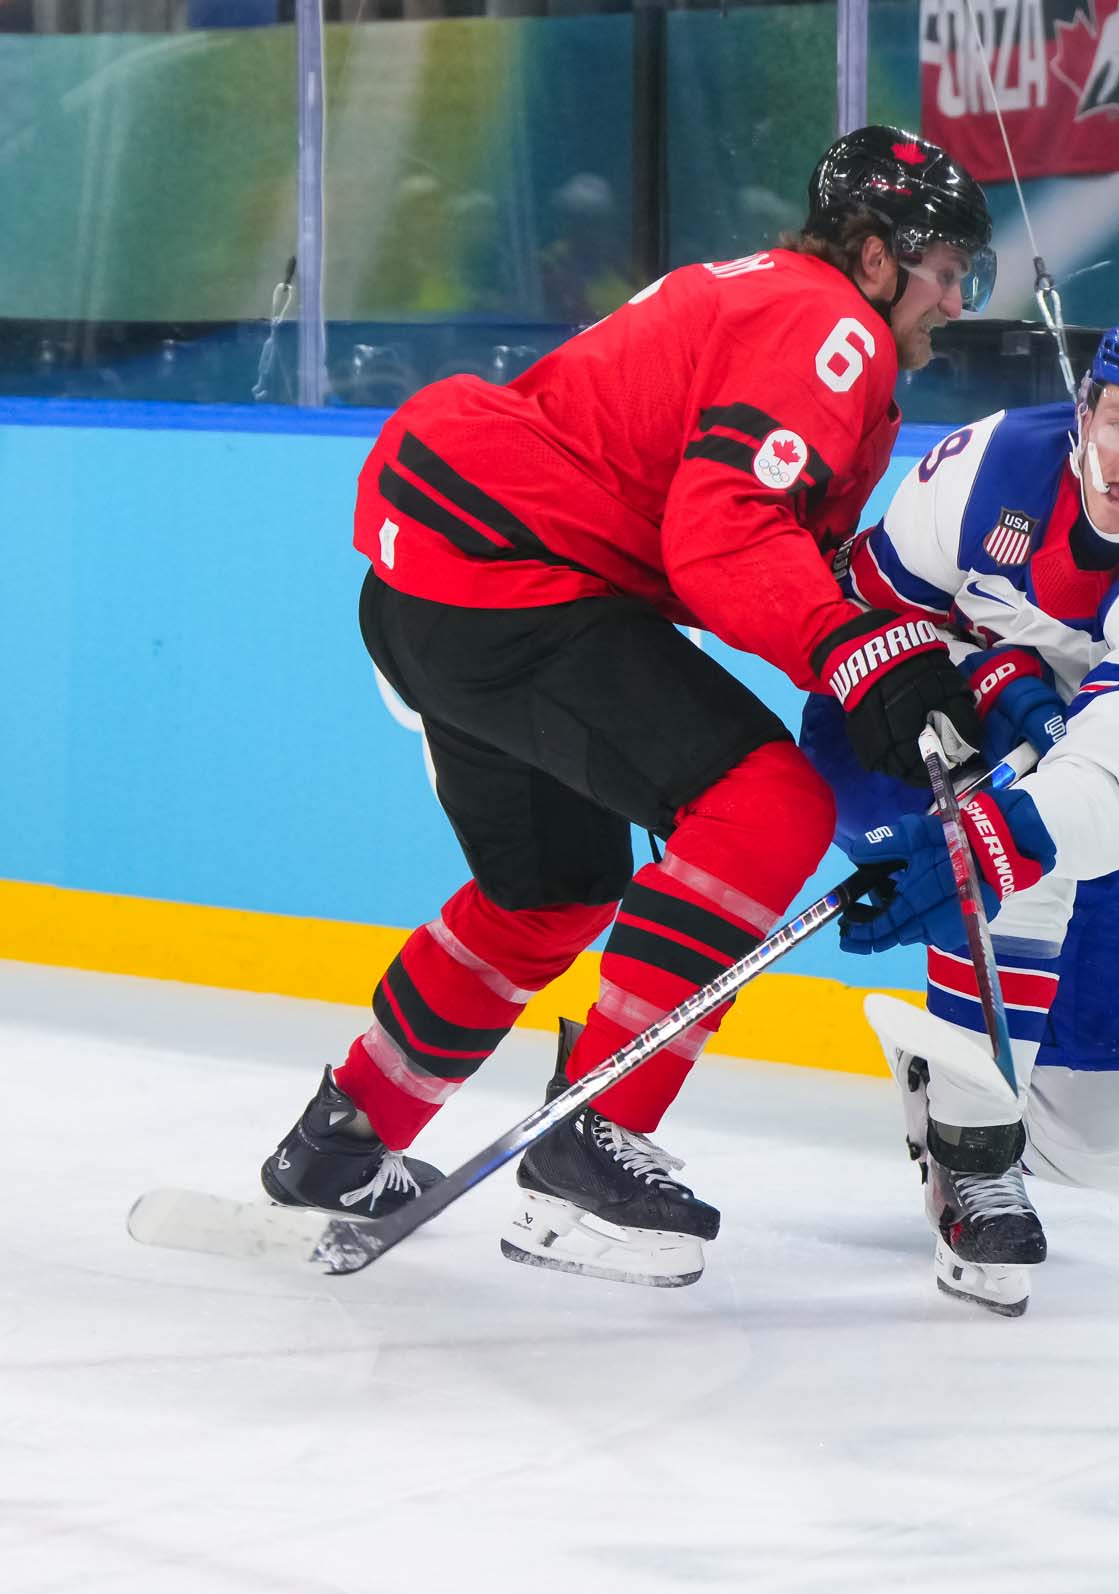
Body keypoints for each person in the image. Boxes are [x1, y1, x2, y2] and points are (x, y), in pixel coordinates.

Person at [258, 126, 995, 1291]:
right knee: (765, 807)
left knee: (547, 893)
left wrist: (897, 645)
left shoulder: (770, 300)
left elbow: (761, 533)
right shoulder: (830, 326)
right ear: (872, 254)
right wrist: (861, 656)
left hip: (436, 581)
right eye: (947, 270)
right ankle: (589, 1138)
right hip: (514, 581)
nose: (956, 300)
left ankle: (340, 1141)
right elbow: (723, 531)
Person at [800, 296, 1119, 1315]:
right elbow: (852, 612)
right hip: (886, 751)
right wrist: (988, 675)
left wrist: (1016, 801)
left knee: (1110, 1142)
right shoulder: (987, 466)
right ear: (1085, 407)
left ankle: (946, 1075)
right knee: (1013, 843)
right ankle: (973, 1158)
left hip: (1063, 818)